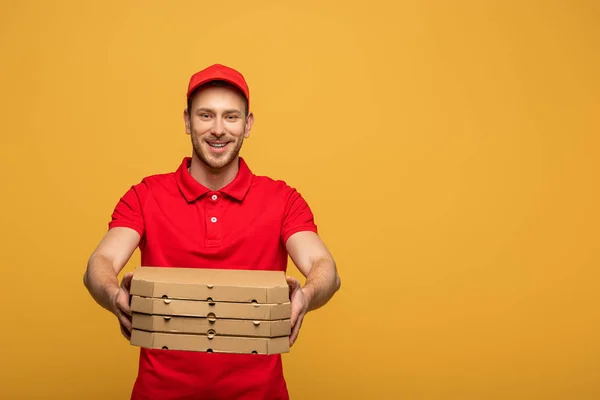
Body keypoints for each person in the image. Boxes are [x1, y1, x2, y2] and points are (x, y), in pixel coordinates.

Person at [83, 63, 342, 400]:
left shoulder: (282, 199)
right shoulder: (146, 195)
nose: (218, 129)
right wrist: (112, 293)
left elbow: (326, 269)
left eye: (231, 117)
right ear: (187, 121)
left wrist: (304, 298)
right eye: (206, 116)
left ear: (247, 125)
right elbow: (99, 262)